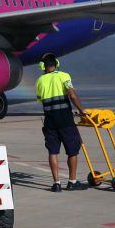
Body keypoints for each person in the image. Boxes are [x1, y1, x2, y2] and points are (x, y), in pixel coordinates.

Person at [34, 53, 86, 192]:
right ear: (56, 64)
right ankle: (72, 182)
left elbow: (41, 100)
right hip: (65, 120)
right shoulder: (64, 76)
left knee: (53, 151)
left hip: (50, 121)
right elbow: (72, 94)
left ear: (42, 66)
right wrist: (81, 110)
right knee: (72, 150)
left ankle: (56, 184)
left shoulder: (39, 81)